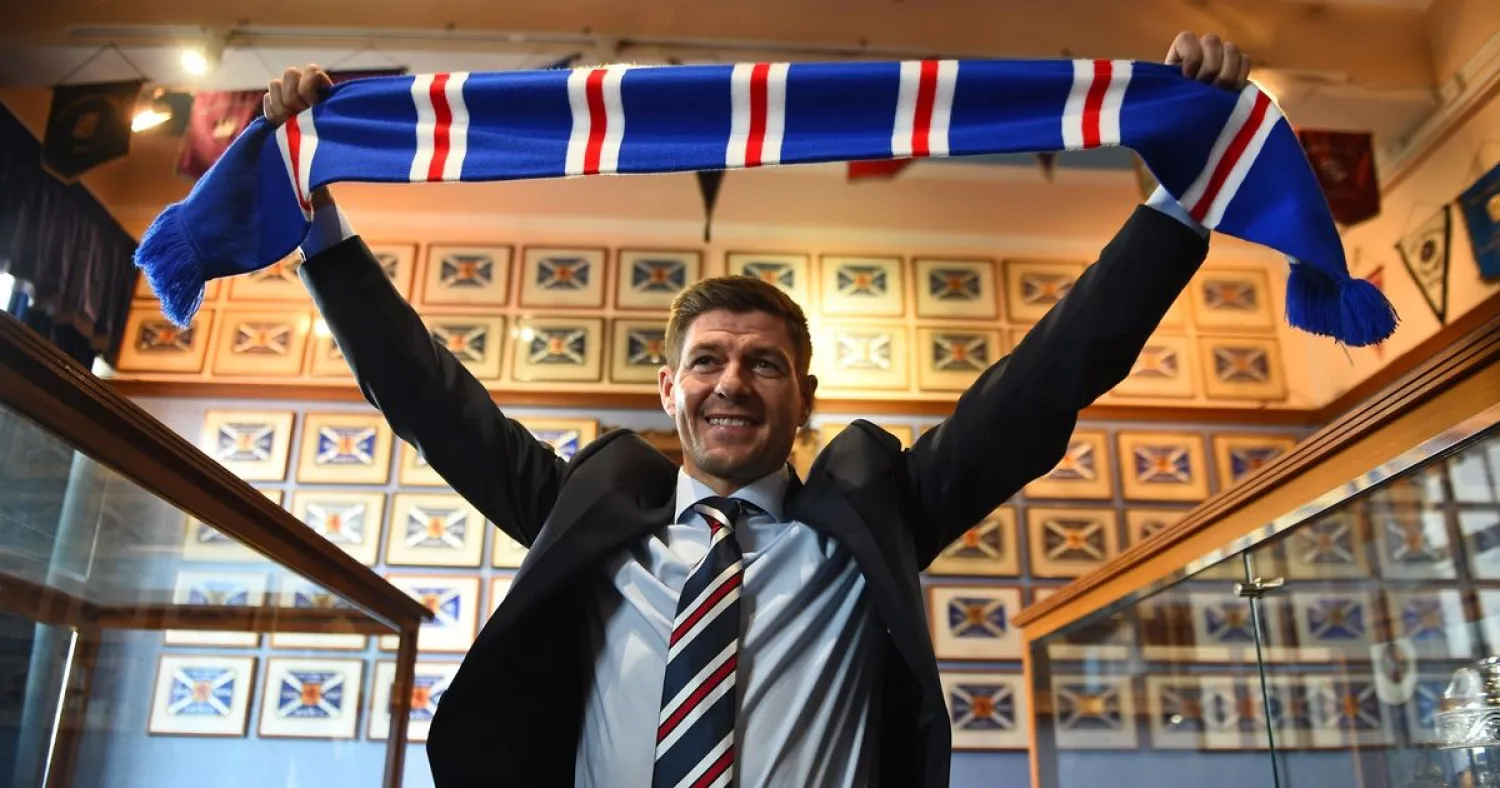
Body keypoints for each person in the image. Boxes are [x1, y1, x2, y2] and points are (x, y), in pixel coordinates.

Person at [269, 30, 1250, 788]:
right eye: (706, 361)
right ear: (669, 390)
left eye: (764, 363)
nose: (732, 382)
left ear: (805, 397)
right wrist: (314, 221)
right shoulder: (585, 514)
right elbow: (433, 403)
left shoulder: (877, 517)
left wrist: (1183, 193)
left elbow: (1045, 383)